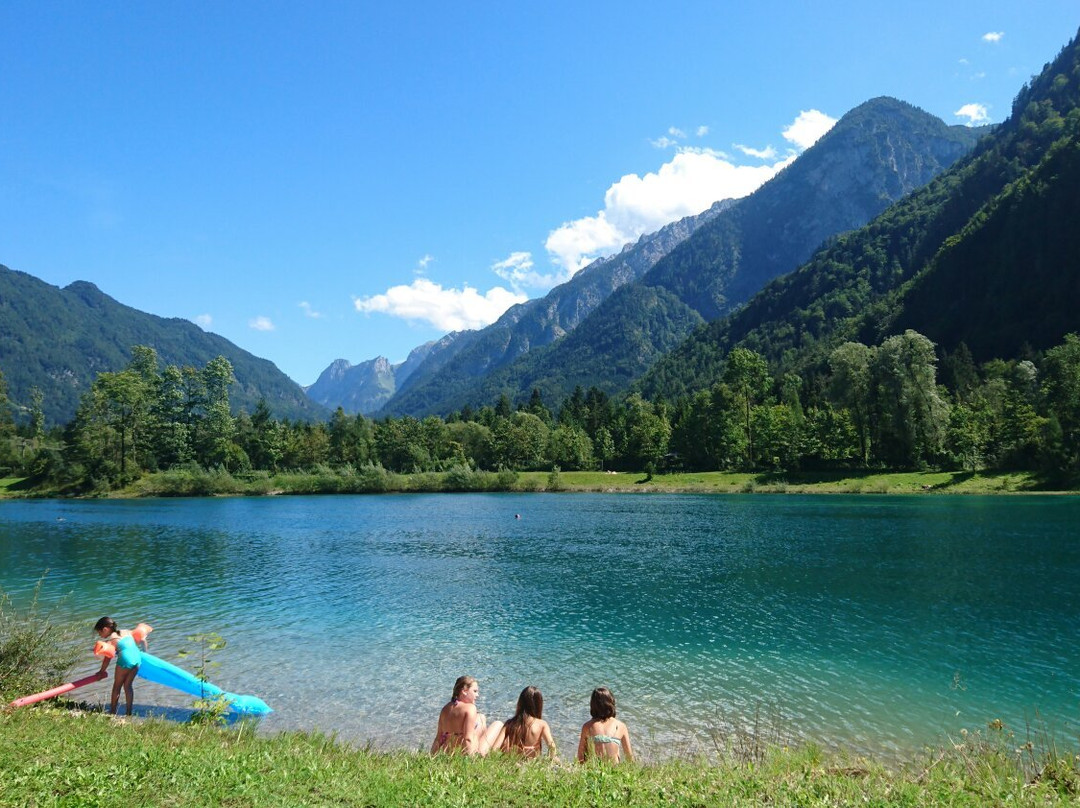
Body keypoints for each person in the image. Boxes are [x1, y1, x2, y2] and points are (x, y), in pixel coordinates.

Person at [431, 675, 504, 755]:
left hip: (450, 752)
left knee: (481, 717)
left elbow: (438, 738)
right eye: (475, 691)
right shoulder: (470, 708)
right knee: (498, 724)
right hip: (465, 753)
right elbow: (468, 739)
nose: (477, 695)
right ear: (464, 691)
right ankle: (486, 754)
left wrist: (431, 756)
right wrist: (471, 761)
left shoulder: (445, 709)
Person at [93, 617, 151, 716]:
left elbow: (107, 659)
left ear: (105, 629)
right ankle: (129, 712)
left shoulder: (111, 641)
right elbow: (141, 640)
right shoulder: (127, 631)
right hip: (137, 659)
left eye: (99, 633)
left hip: (125, 661)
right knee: (128, 686)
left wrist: (101, 671)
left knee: (117, 687)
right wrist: (145, 652)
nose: (100, 635)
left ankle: (112, 712)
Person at [492, 686, 557, 759]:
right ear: (539, 704)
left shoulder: (510, 723)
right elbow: (552, 747)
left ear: (520, 703)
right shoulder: (542, 724)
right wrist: (551, 759)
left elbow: (494, 749)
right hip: (531, 766)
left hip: (513, 763)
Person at [576, 687, 634, 763]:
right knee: (616, 751)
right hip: (614, 771)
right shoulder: (620, 726)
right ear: (611, 703)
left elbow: (580, 756)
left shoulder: (588, 726)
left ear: (593, 705)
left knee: (588, 745)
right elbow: (629, 756)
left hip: (594, 769)